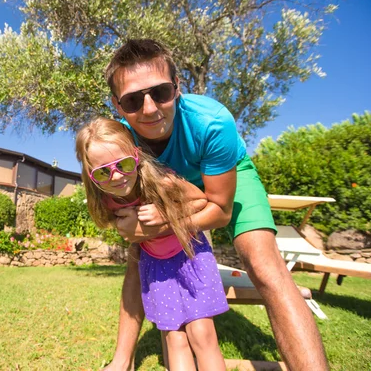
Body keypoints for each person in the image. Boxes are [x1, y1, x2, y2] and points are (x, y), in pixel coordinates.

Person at [101, 39, 329, 370]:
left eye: (161, 93)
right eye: (134, 100)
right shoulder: (120, 141)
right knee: (139, 255)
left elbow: (220, 212)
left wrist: (162, 222)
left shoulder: (212, 121)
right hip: (171, 190)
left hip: (226, 183)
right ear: (118, 105)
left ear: (177, 87)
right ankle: (121, 361)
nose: (150, 108)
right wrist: (133, 226)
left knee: (265, 265)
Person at [76, 117, 228, 370]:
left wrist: (165, 214)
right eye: (103, 172)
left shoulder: (163, 182)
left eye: (123, 164)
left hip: (191, 255)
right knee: (174, 338)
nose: (116, 177)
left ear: (136, 156)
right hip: (156, 266)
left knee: (202, 334)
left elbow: (202, 201)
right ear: (90, 174)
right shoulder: (106, 200)